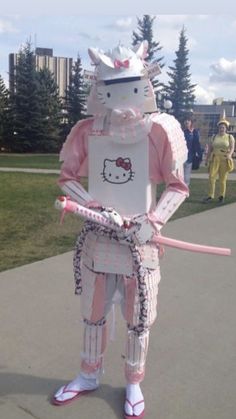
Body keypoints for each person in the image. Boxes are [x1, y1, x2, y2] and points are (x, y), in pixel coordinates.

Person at [52, 40, 189, 419]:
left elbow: (177, 185)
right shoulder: (87, 131)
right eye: (111, 87)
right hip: (98, 239)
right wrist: (89, 203)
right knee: (93, 314)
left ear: (143, 84)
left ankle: (133, 380)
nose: (120, 96)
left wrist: (154, 220)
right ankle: (88, 373)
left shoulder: (160, 130)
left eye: (128, 86)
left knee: (138, 316)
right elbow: (67, 177)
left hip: (139, 243)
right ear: (100, 88)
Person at [203, 117, 235, 203]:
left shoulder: (229, 137)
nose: (221, 129)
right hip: (215, 159)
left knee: (222, 179)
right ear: (218, 128)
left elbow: (232, 148)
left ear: (226, 128)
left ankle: (221, 196)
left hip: (225, 159)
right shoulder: (214, 137)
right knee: (211, 177)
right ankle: (210, 196)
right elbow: (210, 149)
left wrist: (229, 154)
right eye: (220, 127)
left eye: (223, 127)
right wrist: (206, 160)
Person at [183, 117, 202, 186]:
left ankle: (185, 189)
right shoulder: (182, 132)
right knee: (180, 175)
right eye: (185, 120)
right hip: (181, 156)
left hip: (189, 156)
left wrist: (200, 155)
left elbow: (197, 144)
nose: (187, 122)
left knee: (186, 175)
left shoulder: (195, 132)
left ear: (191, 122)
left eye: (188, 120)